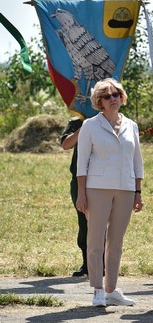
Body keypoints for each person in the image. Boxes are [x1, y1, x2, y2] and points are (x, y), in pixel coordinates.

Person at [76, 78, 144, 307]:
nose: (113, 99)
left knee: (116, 241)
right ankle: (97, 289)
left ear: (121, 97)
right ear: (99, 102)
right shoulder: (90, 125)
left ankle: (111, 290)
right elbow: (82, 162)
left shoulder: (131, 125)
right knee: (95, 240)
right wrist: (81, 193)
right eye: (107, 96)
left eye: (116, 94)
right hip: (97, 188)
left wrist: (138, 191)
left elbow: (137, 161)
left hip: (126, 188)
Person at [60, 117, 88, 277]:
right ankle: (87, 263)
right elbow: (66, 144)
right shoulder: (77, 121)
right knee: (84, 222)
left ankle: (104, 263)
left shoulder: (110, 118)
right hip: (79, 179)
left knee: (105, 222)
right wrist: (83, 127)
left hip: (104, 179)